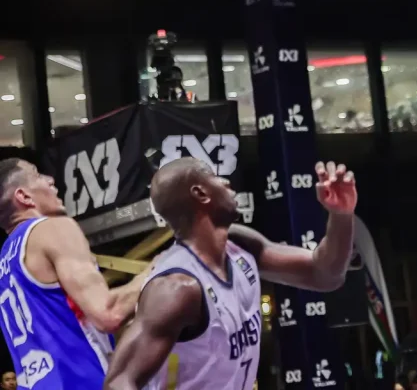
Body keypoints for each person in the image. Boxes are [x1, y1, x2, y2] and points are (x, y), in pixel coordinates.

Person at [104, 159, 359, 389]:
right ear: (201, 193)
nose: (226, 182)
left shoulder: (240, 246)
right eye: (214, 176)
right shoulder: (176, 288)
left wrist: (341, 215)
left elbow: (324, 275)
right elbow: (118, 382)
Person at [0, 158, 153, 388]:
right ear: (24, 196)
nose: (50, 180)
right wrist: (160, 266)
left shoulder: (5, 259)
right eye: (38, 175)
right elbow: (108, 313)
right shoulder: (53, 228)